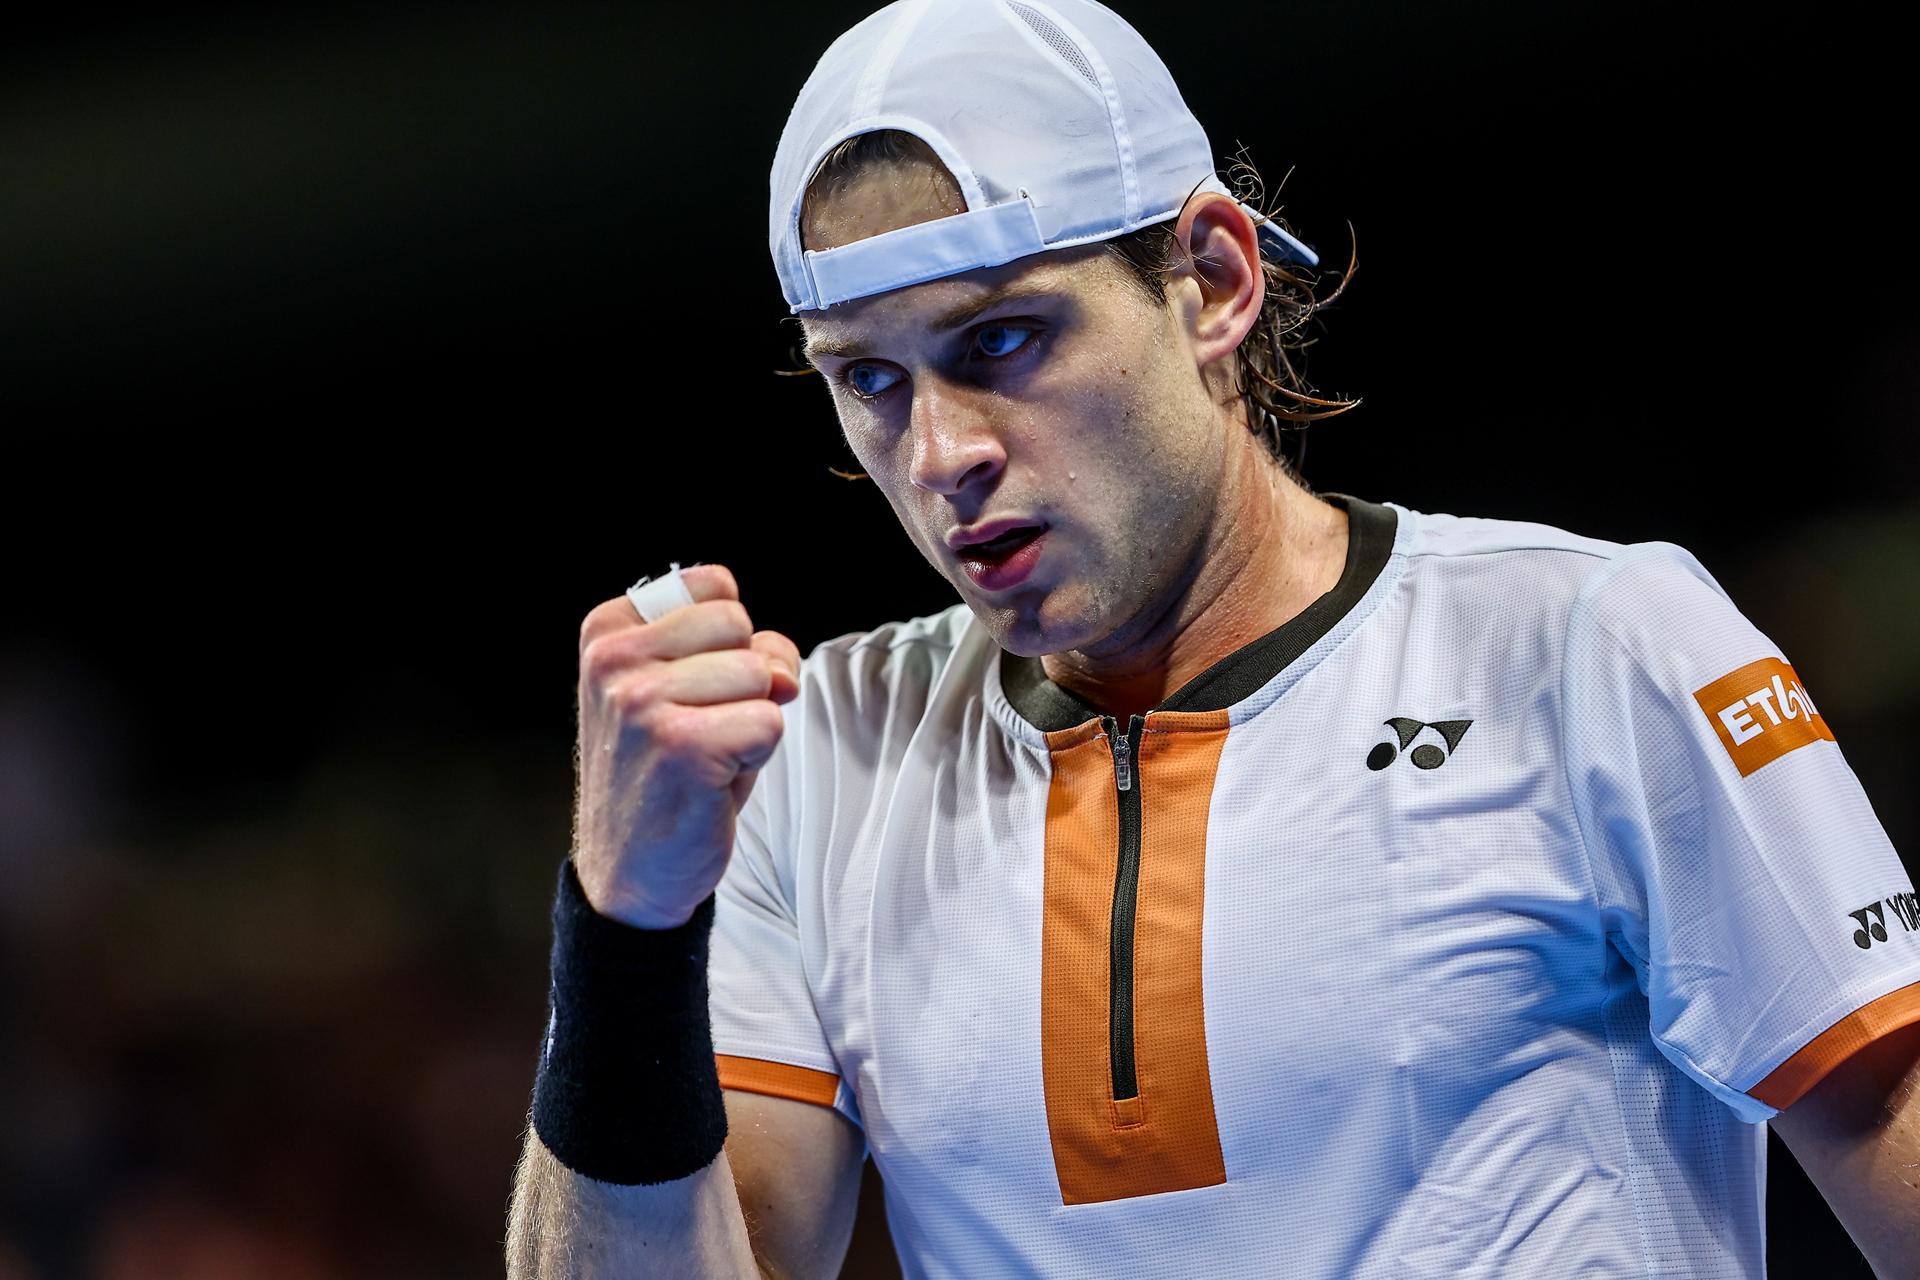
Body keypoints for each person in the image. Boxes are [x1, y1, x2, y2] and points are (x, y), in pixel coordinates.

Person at [507, 1, 1920, 1275]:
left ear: (1214, 279)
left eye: (1001, 341)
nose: (939, 452)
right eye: (870, 380)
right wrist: (624, 923)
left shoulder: (1584, 646)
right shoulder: (819, 762)